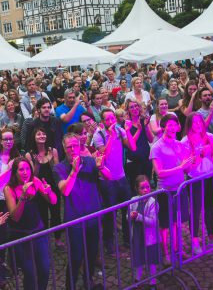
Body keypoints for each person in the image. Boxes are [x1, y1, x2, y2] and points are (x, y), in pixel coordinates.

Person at [53, 133, 112, 289]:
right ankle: (70, 285)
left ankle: (88, 281)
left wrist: (101, 167)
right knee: (76, 256)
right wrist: (74, 171)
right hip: (75, 220)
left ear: (80, 146)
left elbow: (108, 177)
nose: (72, 149)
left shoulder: (90, 161)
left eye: (75, 145)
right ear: (64, 149)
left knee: (92, 253)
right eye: (69, 147)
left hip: (94, 214)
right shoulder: (59, 167)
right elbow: (64, 191)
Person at [4, 157, 55, 290]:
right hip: (21, 236)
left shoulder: (35, 181)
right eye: (21, 169)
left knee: (44, 269)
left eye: (27, 169)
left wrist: (49, 192)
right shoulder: (9, 189)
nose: (25, 172)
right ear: (15, 172)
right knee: (30, 274)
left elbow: (53, 201)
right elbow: (15, 217)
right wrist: (23, 197)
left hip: (38, 231)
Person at [149, 114, 192, 264]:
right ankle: (165, 253)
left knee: (177, 222)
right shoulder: (156, 147)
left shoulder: (179, 144)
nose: (173, 128)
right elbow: (159, 173)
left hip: (180, 189)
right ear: (163, 127)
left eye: (175, 124)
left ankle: (176, 249)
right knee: (165, 224)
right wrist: (179, 167)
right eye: (170, 125)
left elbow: (187, 166)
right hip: (165, 191)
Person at [92, 108, 136, 254]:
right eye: (108, 119)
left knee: (127, 210)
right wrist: (110, 136)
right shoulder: (98, 134)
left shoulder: (119, 130)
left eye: (113, 118)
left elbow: (131, 147)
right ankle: (108, 242)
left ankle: (127, 238)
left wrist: (128, 131)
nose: (111, 122)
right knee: (110, 213)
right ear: (102, 122)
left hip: (121, 177)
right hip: (106, 180)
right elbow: (105, 153)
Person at [181, 113, 213, 254]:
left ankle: (212, 237)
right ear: (189, 124)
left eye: (200, 121)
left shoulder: (209, 137)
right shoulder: (185, 141)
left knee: (210, 208)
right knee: (195, 210)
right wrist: (199, 155)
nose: (198, 124)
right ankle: (194, 240)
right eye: (194, 122)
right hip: (195, 179)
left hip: (209, 176)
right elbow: (187, 168)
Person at [25, 127, 63, 246]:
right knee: (42, 214)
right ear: (34, 137)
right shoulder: (29, 154)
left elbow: (57, 170)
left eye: (43, 134)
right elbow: (33, 176)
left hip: (53, 187)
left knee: (56, 213)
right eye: (39, 134)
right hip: (39, 189)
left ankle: (57, 239)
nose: (42, 136)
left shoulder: (53, 151)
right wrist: (37, 163)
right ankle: (44, 239)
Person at [128, 175, 160, 290]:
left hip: (149, 237)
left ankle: (152, 281)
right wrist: (130, 216)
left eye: (147, 187)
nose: (146, 190)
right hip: (138, 236)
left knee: (150, 260)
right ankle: (137, 279)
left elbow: (152, 221)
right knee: (139, 258)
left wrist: (138, 217)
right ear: (137, 189)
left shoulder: (153, 202)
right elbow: (128, 215)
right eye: (142, 188)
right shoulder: (133, 200)